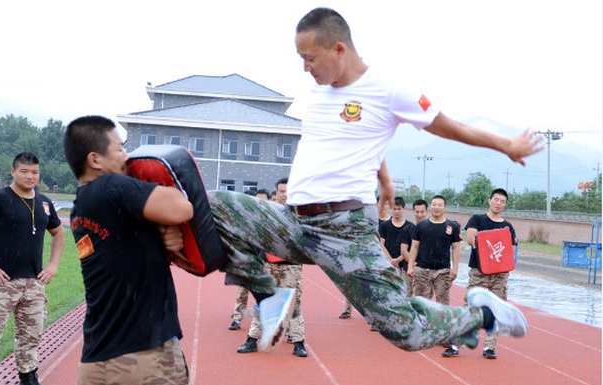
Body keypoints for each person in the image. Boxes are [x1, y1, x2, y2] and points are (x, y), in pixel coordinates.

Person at [207, 7, 540, 355]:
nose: (305, 68)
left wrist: (506, 145)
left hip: (343, 231)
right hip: (293, 221)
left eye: (309, 58)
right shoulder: (318, 91)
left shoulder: (389, 90)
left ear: (339, 49)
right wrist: (385, 177)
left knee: (406, 332)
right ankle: (268, 295)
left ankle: (483, 315)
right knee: (212, 205)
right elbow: (358, 136)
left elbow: (452, 126)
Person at [63, 116, 296, 385]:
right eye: (120, 149)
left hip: (96, 358)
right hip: (145, 358)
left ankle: (267, 295)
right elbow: (182, 209)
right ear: (95, 160)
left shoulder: (81, 209)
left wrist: (166, 238)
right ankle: (268, 292)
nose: (127, 157)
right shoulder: (112, 186)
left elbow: (126, 253)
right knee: (217, 209)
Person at [0, 152, 65, 385]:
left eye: (34, 172)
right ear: (13, 172)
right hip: (2, 282)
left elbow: (58, 234)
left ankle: (28, 382)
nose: (30, 176)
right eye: (24, 171)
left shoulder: (45, 203)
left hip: (34, 283)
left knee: (31, 335)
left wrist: (53, 264)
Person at [237, 178, 308, 357]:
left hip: (290, 266)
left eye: (287, 191)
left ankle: (299, 343)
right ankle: (252, 340)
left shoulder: (300, 214)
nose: (284, 195)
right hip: (267, 263)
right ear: (276, 193)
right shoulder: (268, 212)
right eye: (281, 191)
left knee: (294, 304)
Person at [462, 188, 517, 360]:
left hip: (500, 275)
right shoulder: (477, 219)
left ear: (505, 204)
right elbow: (471, 239)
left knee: (497, 309)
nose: (499, 203)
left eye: (502, 201)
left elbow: (510, 251)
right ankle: (457, 342)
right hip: (479, 271)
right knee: (470, 306)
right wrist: (483, 241)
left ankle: (489, 347)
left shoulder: (507, 227)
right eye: (496, 200)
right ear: (489, 200)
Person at [407, 195, 462, 357]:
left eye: (440, 205)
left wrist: (455, 268)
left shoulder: (451, 226)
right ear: (430, 207)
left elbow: (456, 248)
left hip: (443, 271)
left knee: (443, 304)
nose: (436, 207)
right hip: (422, 269)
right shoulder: (421, 226)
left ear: (445, 208)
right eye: (434, 204)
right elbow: (414, 247)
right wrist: (411, 265)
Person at [340, 194, 390, 320]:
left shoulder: (391, 222)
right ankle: (347, 309)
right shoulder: (367, 219)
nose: (384, 207)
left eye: (387, 204)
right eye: (381, 204)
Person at [229, 188, 270, 331]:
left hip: (266, 263)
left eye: (263, 200)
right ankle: (237, 318)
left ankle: (276, 323)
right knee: (242, 291)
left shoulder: (271, 220)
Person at [399, 199, 428, 296]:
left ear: (426, 211)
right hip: (408, 269)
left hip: (425, 270)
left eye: (422, 212)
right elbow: (404, 250)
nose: (420, 214)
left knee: (421, 299)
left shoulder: (430, 229)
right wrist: (412, 264)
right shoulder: (407, 229)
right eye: (417, 212)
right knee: (406, 297)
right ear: (413, 212)